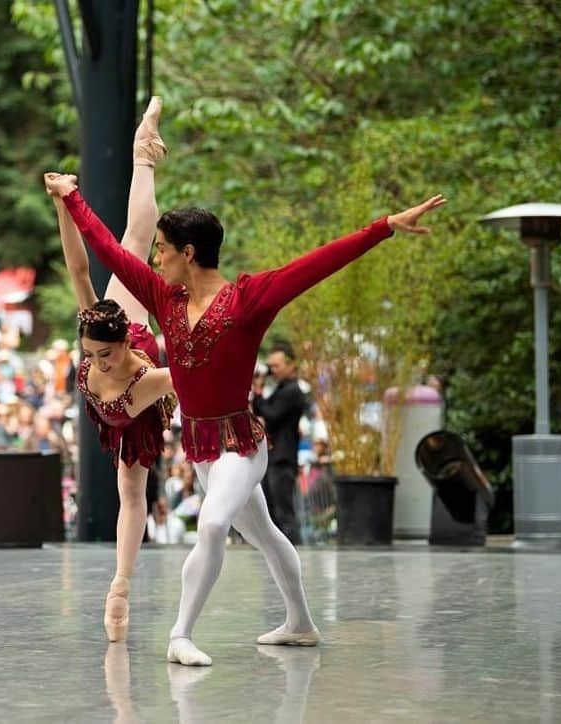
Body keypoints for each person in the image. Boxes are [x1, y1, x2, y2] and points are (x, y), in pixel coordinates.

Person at [48, 124, 446, 665]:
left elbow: (317, 264)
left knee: (212, 523)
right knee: (265, 533)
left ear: (189, 252)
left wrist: (384, 228)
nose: (156, 257)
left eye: (163, 250)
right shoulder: (164, 298)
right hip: (203, 449)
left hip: (240, 444)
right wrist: (70, 198)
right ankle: (301, 623)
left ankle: (180, 635)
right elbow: (107, 250)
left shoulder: (249, 298)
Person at [42, 96, 174, 643]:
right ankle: (144, 154)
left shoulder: (143, 373)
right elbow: (77, 265)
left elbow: (198, 376)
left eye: (104, 354)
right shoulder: (99, 327)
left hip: (138, 404)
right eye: (89, 354)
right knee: (133, 243)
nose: (95, 362)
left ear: (124, 341)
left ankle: (120, 585)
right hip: (112, 398)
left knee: (131, 487)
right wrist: (61, 202)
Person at [252, 342, 307, 544]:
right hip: (276, 457)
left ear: (291, 365)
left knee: (284, 513)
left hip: (283, 459)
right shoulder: (282, 389)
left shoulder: (293, 391)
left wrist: (258, 392)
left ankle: (294, 553)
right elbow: (262, 410)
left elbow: (270, 413)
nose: (272, 371)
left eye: (277, 366)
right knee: (274, 512)